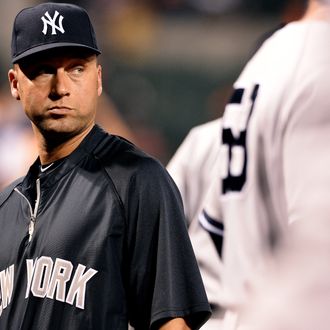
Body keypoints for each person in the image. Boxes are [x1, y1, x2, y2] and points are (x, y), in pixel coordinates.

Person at [0, 2, 211, 329]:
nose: (61, 87)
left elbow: (172, 323)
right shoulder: (5, 206)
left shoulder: (137, 180)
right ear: (15, 83)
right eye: (43, 69)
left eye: (77, 68)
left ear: (98, 80)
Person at [199, 0, 330, 328]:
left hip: (246, 310)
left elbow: (213, 228)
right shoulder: (321, 64)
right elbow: (314, 253)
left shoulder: (270, 54)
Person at [167, 118, 225, 329]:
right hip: (271, 312)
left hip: (199, 316)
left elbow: (157, 229)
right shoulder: (306, 140)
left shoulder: (206, 137)